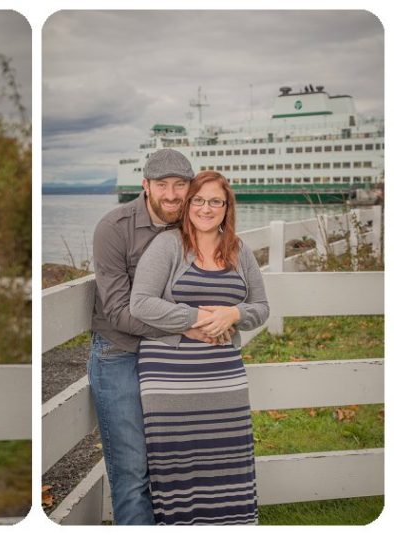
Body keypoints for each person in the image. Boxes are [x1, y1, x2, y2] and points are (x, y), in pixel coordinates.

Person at [87, 148, 221, 525]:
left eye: (181, 185)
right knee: (132, 471)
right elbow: (116, 311)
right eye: (162, 184)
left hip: (178, 355)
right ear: (145, 186)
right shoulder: (114, 228)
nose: (172, 194)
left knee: (181, 463)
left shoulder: (197, 223)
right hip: (122, 353)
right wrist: (188, 324)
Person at [130, 171, 269, 525]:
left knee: (228, 459)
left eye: (215, 201)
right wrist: (194, 318)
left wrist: (233, 313)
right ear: (189, 204)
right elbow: (141, 303)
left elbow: (261, 309)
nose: (206, 208)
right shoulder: (168, 245)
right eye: (199, 200)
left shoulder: (239, 250)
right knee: (178, 465)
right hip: (169, 374)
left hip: (224, 375)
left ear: (227, 207)